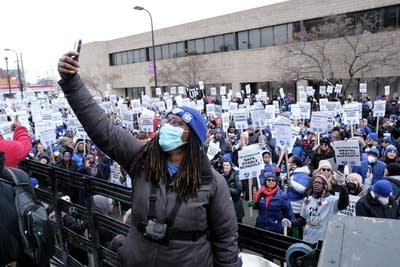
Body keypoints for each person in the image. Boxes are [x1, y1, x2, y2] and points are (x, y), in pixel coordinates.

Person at [57, 52, 241, 267]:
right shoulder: (142, 159)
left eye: (177, 123)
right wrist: (72, 83)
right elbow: (103, 129)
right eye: (168, 120)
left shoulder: (212, 182)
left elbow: (226, 241)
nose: (168, 125)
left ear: (192, 137)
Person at [282, 173, 349, 244]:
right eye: (314, 182)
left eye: (319, 183)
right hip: (307, 239)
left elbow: (343, 204)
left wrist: (342, 185)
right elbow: (303, 220)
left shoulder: (332, 200)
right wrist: (291, 223)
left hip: (323, 242)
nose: (316, 184)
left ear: (325, 186)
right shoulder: (308, 200)